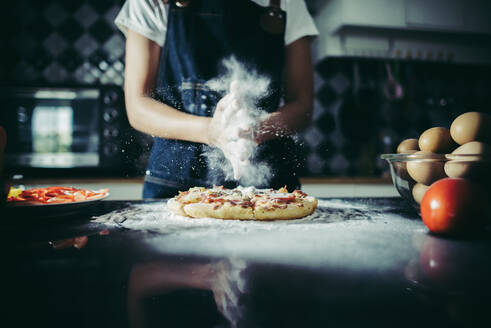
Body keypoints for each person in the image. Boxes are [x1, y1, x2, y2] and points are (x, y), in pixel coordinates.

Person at [115, 0, 318, 198]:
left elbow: (302, 106)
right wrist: (212, 132)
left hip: (268, 189)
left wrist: (251, 130)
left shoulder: (286, 2)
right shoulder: (151, 2)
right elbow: (138, 106)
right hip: (174, 183)